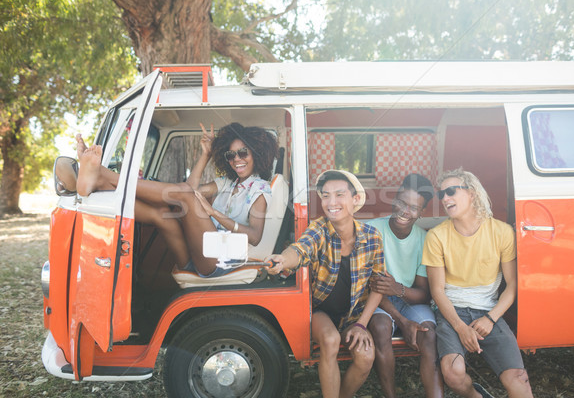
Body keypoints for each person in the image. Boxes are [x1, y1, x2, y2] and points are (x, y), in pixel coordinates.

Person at [75, 122, 278, 277]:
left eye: (243, 153)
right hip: (200, 251)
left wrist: (214, 213)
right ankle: (101, 185)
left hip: (219, 260)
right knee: (162, 216)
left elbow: (254, 236)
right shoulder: (228, 182)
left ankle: (104, 177)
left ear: (256, 153)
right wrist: (205, 155)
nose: (236, 159)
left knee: (184, 196)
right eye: (230, 155)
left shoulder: (260, 189)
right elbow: (189, 189)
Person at [267, 170, 384, 398]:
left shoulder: (372, 236)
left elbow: (378, 286)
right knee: (331, 340)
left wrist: (361, 324)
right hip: (320, 312)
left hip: (353, 315)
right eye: (325, 195)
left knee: (366, 356)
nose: (331, 202)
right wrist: (282, 260)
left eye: (339, 195)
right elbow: (300, 250)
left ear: (355, 199)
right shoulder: (318, 229)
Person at [423, 168, 534, 398]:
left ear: (472, 193)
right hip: (452, 312)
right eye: (441, 194)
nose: (444, 198)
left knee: (519, 381)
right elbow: (437, 291)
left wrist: (491, 318)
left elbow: (512, 286)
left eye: (451, 191)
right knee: (453, 374)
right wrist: (461, 328)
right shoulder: (436, 236)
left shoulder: (502, 232)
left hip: (489, 311)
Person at [366, 173, 444, 398]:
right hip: (378, 300)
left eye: (413, 207)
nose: (404, 211)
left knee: (429, 334)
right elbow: (372, 288)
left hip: (409, 300)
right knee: (381, 328)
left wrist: (397, 288)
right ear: (394, 200)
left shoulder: (424, 239)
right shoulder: (372, 231)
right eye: (401, 202)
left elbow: (423, 293)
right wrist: (403, 321)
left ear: (421, 213)